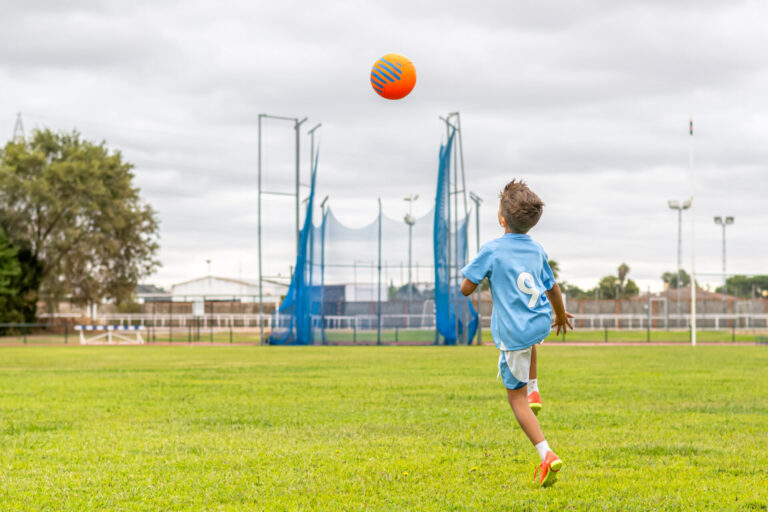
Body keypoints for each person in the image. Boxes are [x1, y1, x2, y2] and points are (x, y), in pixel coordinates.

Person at [460, 179, 574, 487]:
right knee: (530, 339)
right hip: (539, 321)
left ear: (501, 218)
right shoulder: (536, 250)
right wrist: (561, 316)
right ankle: (534, 386)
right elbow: (552, 286)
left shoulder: (492, 250)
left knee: (516, 401)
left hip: (514, 334)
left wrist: (482, 274)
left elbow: (465, 288)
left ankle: (546, 453)